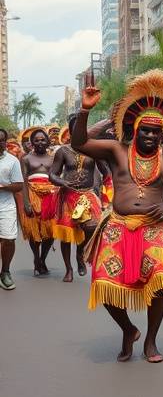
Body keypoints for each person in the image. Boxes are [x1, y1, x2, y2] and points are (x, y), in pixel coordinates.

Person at [72, 69, 163, 363]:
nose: (151, 136)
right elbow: (79, 143)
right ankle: (129, 329)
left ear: (161, 133)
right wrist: (85, 111)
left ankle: (151, 342)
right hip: (118, 226)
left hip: (155, 228)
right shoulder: (118, 150)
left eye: (156, 132)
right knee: (104, 285)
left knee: (158, 283)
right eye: (146, 130)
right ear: (136, 129)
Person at [49, 115, 106, 282]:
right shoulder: (63, 151)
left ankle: (80, 255)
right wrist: (62, 182)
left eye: (83, 129)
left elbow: (106, 171)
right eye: (77, 129)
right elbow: (52, 174)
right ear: (71, 132)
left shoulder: (93, 150)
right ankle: (68, 269)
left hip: (88, 195)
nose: (80, 132)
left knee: (91, 228)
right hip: (68, 197)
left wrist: (106, 189)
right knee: (67, 235)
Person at [20, 128, 58, 276]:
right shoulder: (26, 159)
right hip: (33, 195)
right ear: (32, 143)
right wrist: (26, 202)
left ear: (48, 141)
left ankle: (42, 259)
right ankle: (36, 258)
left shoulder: (53, 158)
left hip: (50, 196)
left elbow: (56, 176)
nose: (40, 142)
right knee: (34, 231)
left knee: (50, 231)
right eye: (37, 140)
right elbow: (23, 181)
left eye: (43, 139)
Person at [0, 128, 23, 290]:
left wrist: (2, 187)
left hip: (6, 205)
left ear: (5, 142)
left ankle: (5, 272)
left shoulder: (12, 161)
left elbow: (18, 185)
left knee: (8, 239)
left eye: (1, 140)